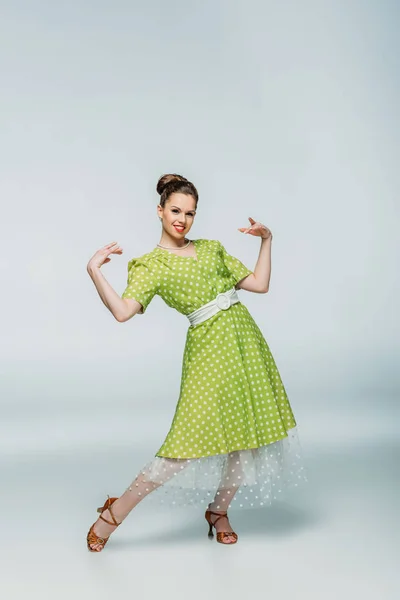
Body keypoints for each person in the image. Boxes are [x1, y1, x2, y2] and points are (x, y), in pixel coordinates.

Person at [86, 173, 307, 551]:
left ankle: (218, 511)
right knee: (182, 448)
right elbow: (123, 312)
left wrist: (267, 240)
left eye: (190, 213)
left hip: (245, 345)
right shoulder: (151, 265)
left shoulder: (212, 249)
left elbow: (259, 283)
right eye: (175, 210)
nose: (182, 219)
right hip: (208, 352)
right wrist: (94, 271)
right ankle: (113, 513)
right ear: (159, 210)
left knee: (246, 438)